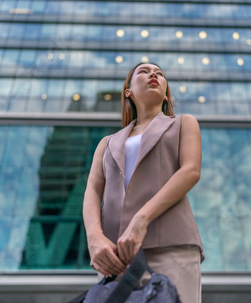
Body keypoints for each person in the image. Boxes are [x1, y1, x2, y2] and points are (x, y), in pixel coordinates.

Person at [82, 62, 204, 303]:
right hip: (115, 256)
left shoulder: (183, 123)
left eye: (159, 74)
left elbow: (190, 171)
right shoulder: (107, 143)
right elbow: (94, 190)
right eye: (145, 72)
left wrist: (141, 219)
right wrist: (94, 237)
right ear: (128, 91)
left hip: (171, 246)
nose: (154, 75)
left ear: (167, 94)